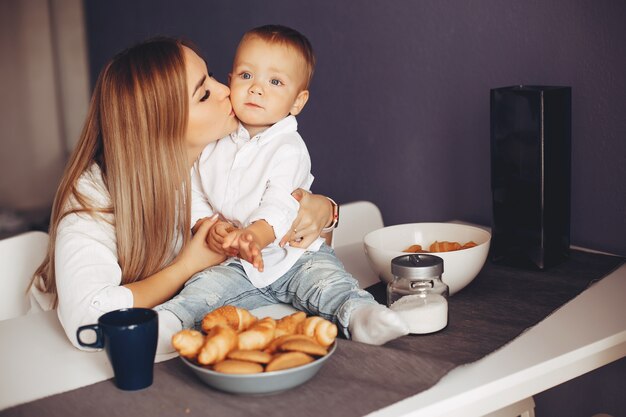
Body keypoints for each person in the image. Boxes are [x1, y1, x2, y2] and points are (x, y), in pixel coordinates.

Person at [30, 37, 335, 351]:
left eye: (213, 76)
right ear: (161, 125)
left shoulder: (221, 163)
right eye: (204, 93)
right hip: (58, 357)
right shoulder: (93, 198)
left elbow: (294, 258)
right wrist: (187, 267)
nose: (226, 90)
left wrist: (326, 212)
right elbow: (89, 323)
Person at [156, 25, 409, 346]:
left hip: (295, 257)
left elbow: (281, 203)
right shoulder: (213, 142)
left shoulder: (288, 147)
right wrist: (208, 225)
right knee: (203, 290)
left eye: (275, 82)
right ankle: (168, 323)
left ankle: (362, 317)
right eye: (246, 76)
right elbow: (196, 192)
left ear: (297, 101)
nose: (257, 89)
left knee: (328, 284)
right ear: (230, 79)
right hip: (236, 264)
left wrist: (255, 235)